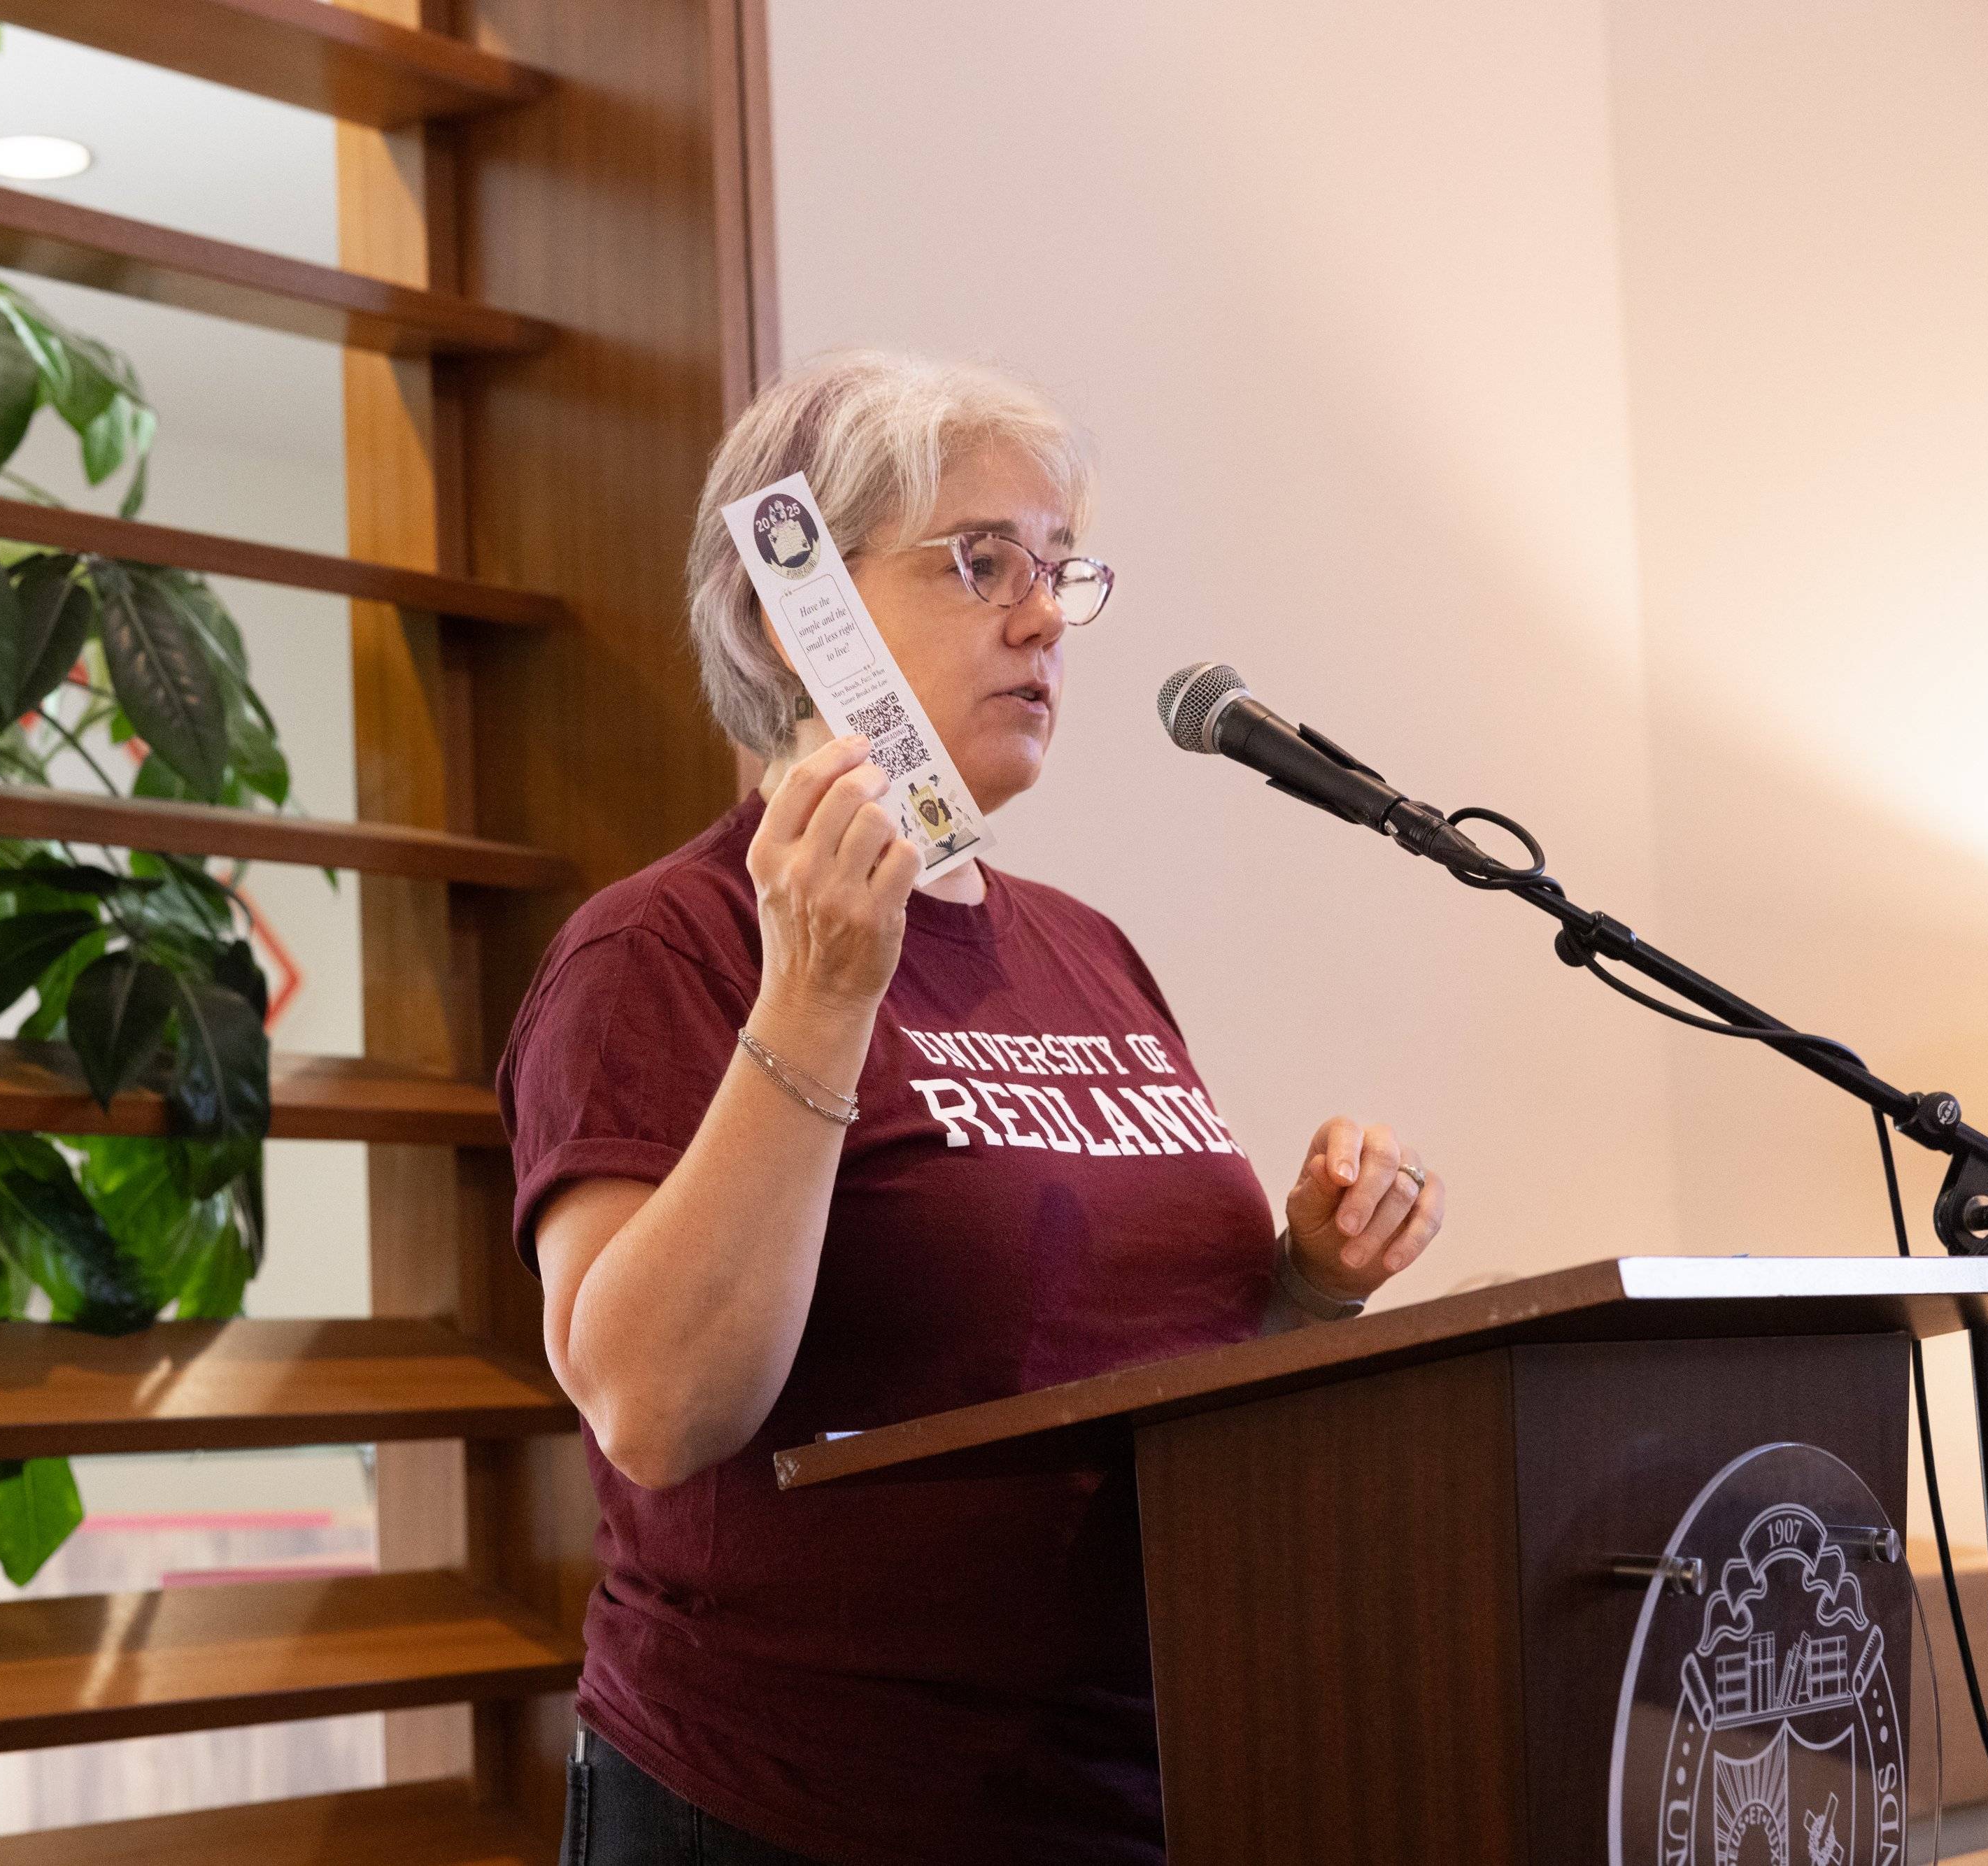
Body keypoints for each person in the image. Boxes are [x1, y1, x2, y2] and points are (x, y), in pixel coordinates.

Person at [495, 350, 1448, 1865]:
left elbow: (1143, 1377)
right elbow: (655, 1409)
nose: (1040, 617)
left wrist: (1310, 1285)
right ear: (790, 612)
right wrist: (817, 996)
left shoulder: (1085, 947)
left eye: (1057, 569)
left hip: (1134, 1794)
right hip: (793, 1811)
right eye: (979, 560)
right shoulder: (659, 949)